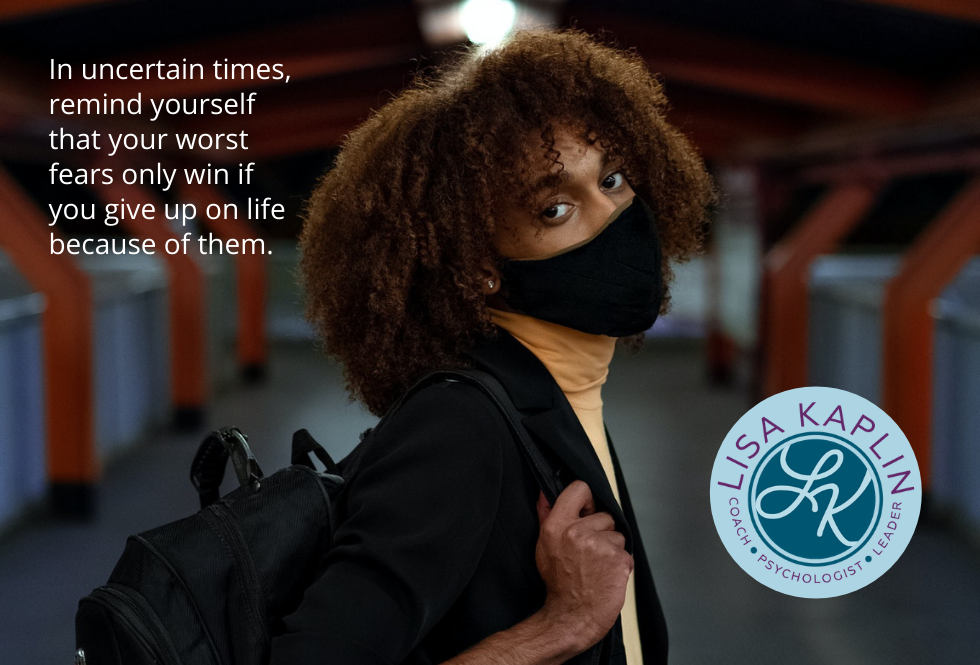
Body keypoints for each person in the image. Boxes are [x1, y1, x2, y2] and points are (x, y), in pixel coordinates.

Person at [270, 29, 714, 665]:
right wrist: (558, 627)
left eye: (614, 178)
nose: (613, 215)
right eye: (556, 209)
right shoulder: (461, 428)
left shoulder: (562, 388)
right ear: (481, 266)